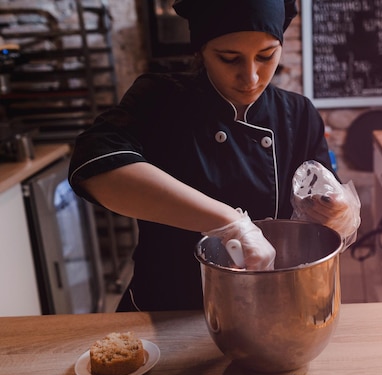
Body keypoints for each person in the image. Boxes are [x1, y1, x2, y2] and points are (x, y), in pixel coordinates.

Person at [68, 0, 359, 312]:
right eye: (229, 58)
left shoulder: (299, 115)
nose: (250, 77)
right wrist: (230, 223)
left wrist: (338, 214)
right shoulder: (159, 101)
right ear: (201, 51)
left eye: (266, 56)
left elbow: (324, 216)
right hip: (163, 311)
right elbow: (94, 165)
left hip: (266, 312)